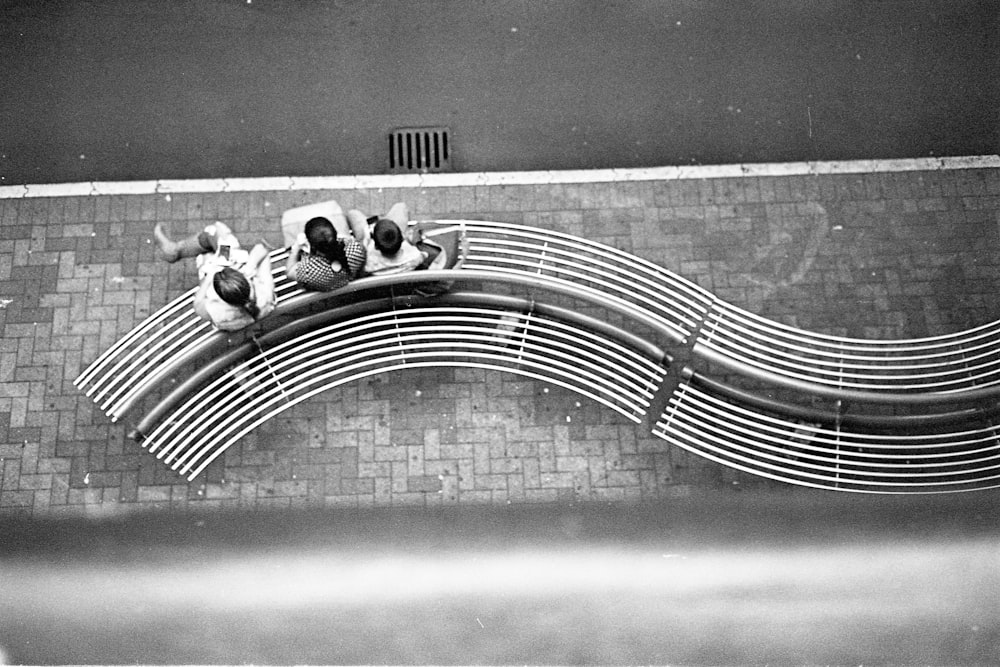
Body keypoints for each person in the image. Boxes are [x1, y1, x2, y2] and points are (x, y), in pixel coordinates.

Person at [153, 221, 276, 331]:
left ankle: (175, 251)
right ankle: (178, 250)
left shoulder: (215, 310)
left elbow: (198, 302)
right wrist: (251, 266)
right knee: (221, 241)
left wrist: (210, 275)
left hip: (213, 267)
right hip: (228, 267)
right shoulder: (264, 298)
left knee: (216, 231)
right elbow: (263, 250)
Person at [285, 216, 367, 291]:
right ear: (335, 233)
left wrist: (295, 248)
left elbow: (289, 273)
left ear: (312, 245)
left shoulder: (308, 270)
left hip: (321, 288)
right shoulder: (356, 248)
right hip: (349, 280)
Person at [346, 202, 427, 276]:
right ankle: (385, 221)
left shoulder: (368, 265)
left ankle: (379, 222)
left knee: (353, 213)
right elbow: (424, 255)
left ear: (376, 246)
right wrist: (410, 241)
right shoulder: (415, 256)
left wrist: (365, 241)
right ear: (402, 238)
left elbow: (362, 256)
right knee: (401, 206)